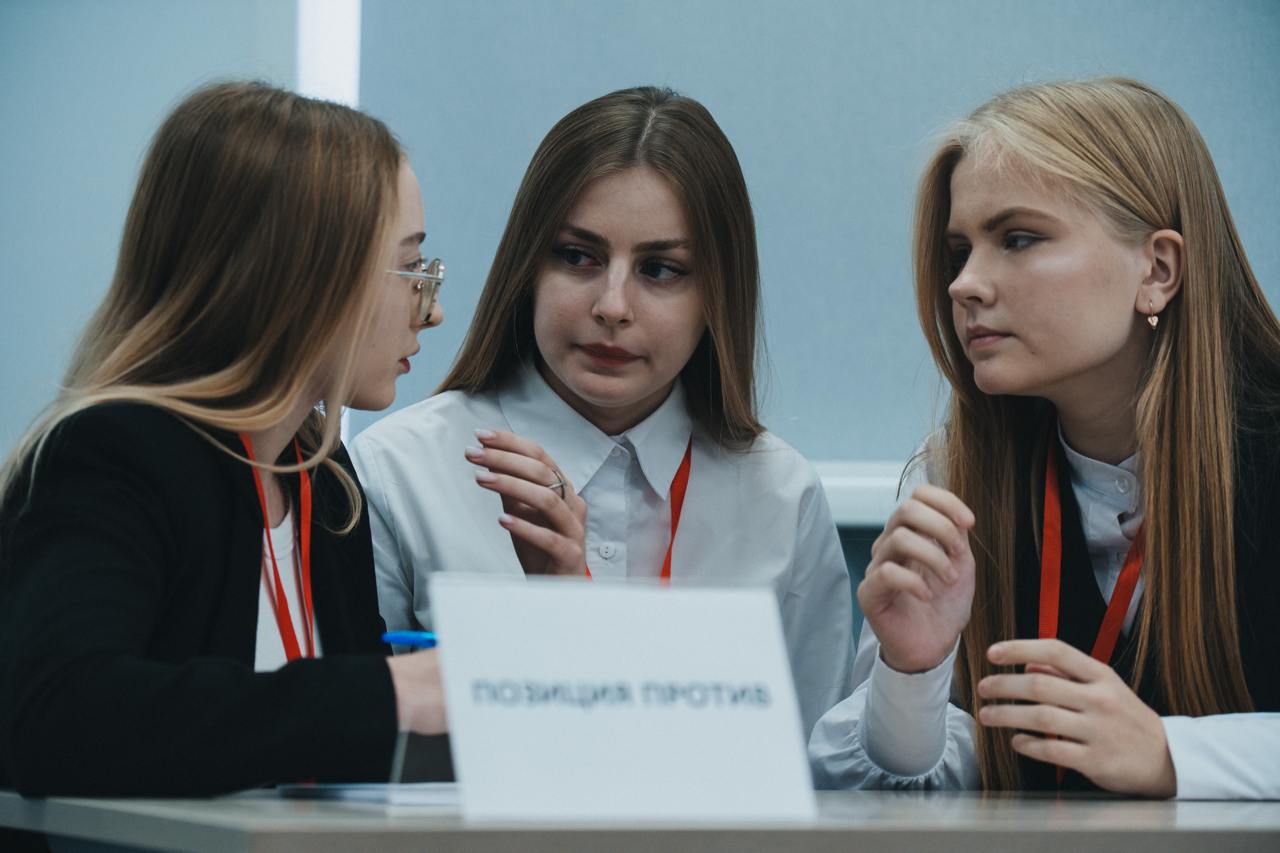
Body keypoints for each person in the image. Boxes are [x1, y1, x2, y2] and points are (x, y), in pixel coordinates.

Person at [0, 80, 506, 799]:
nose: (433, 310)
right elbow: (59, 719)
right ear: (305, 277)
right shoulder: (115, 454)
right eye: (411, 269)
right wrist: (392, 692)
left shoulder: (323, 478)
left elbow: (345, 763)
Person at [809, 77, 1280, 798]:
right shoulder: (953, 475)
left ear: (1157, 271)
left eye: (1018, 238)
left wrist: (1171, 753)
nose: (964, 284)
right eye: (960, 250)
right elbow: (894, 785)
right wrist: (912, 672)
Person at [350, 86, 854, 740]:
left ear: (717, 295)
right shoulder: (399, 472)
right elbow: (353, 757)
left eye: (661, 269)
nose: (612, 306)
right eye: (577, 257)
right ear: (527, 268)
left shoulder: (781, 498)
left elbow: (816, 772)